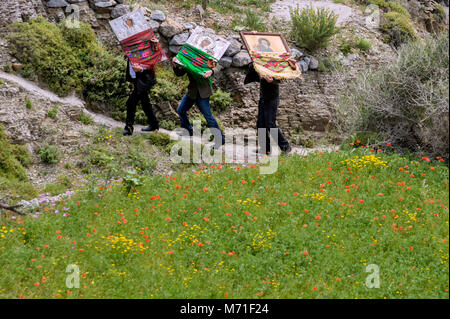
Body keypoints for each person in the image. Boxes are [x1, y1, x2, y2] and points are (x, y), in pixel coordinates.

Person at [171, 56, 225, 149]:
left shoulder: (205, 55)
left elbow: (219, 66)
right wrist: (175, 65)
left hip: (203, 93)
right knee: (181, 110)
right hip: (192, 92)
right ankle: (188, 131)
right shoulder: (189, 56)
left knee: (208, 116)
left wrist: (211, 71)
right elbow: (179, 73)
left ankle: (220, 140)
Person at [244, 63, 292, 154]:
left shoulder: (275, 63)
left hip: (272, 98)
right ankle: (266, 148)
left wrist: (272, 79)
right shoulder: (259, 63)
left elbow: (281, 76)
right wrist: (259, 72)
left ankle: (285, 147)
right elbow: (251, 67)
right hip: (263, 98)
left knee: (270, 124)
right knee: (260, 124)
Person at [123, 37, 160, 136]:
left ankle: (129, 127)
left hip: (144, 81)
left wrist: (141, 69)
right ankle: (154, 125)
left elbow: (152, 64)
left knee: (131, 102)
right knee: (145, 103)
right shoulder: (131, 49)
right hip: (137, 80)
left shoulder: (147, 49)